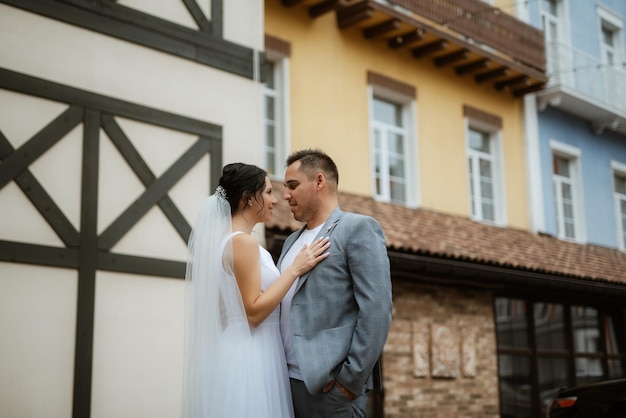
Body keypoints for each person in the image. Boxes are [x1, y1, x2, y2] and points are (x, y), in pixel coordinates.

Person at [182, 162, 330, 418]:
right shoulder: (243, 243)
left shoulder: (224, 243)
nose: (275, 200)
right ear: (248, 198)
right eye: (268, 192)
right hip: (252, 355)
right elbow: (253, 313)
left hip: (236, 349)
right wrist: (294, 270)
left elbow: (225, 312)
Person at [278, 149, 393, 417]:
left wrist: (349, 381)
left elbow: (376, 310)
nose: (285, 195)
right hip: (284, 385)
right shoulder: (290, 243)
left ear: (319, 181)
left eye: (293, 186)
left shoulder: (358, 228)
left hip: (331, 392)